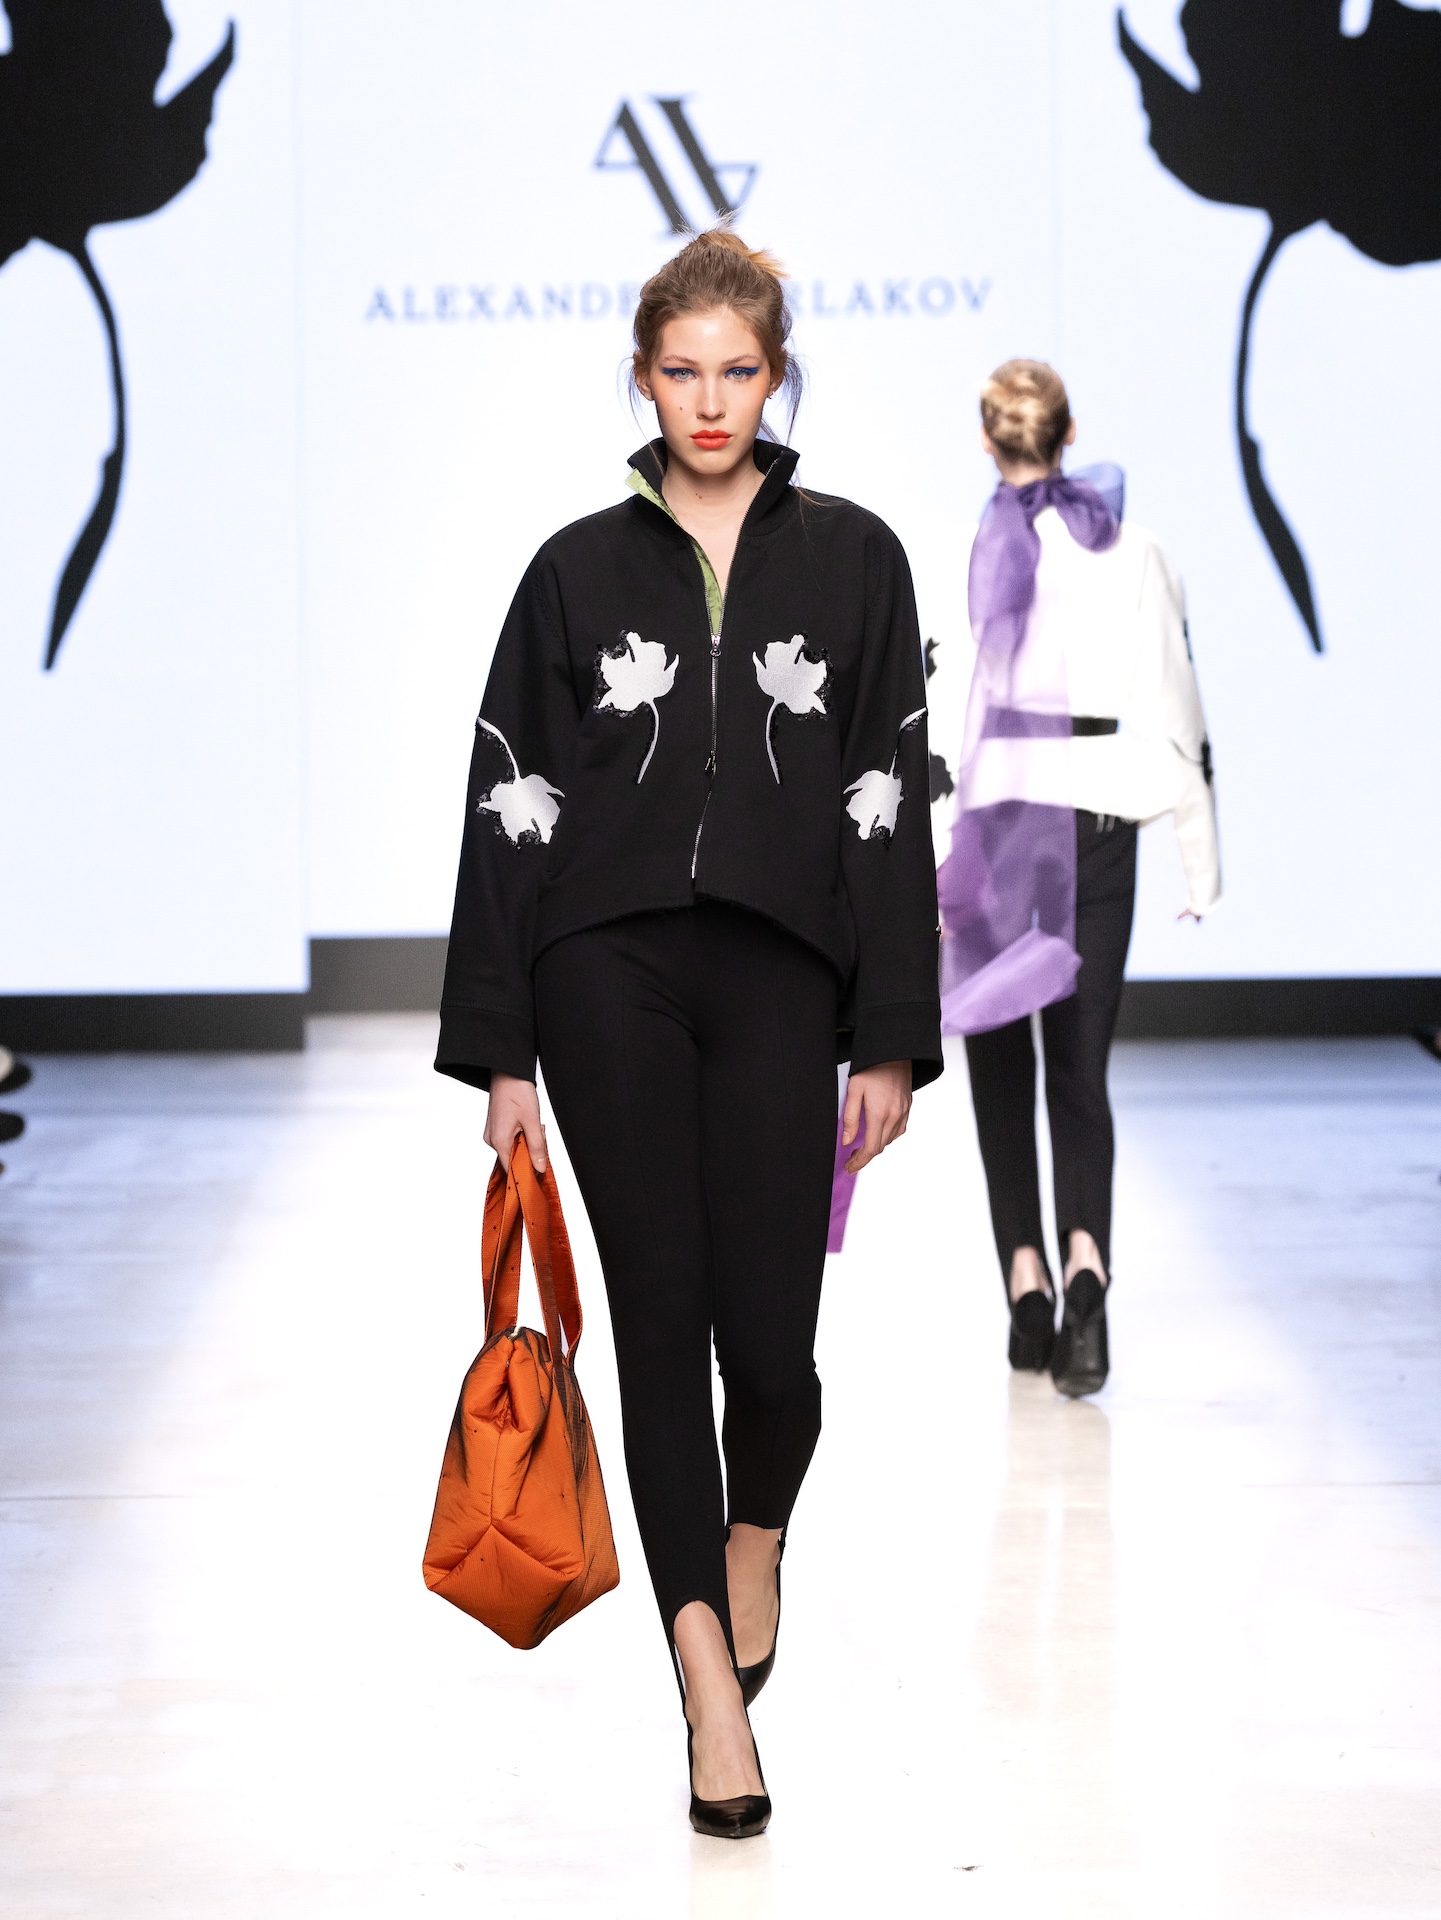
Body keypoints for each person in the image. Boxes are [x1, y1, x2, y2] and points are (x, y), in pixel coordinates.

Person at [435, 229, 942, 1838]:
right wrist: (502, 1047)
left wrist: (891, 1032)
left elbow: (887, 799)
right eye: (680, 371)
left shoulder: (856, 559)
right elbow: (511, 794)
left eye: (737, 371)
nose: (709, 401)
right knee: (657, 1325)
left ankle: (756, 1532)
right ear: (643, 380)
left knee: (772, 1354)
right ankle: (707, 1690)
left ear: (775, 378)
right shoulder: (573, 569)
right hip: (604, 964)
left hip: (784, 966)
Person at [928, 360, 1219, 1397]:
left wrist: (927, 857)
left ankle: (1025, 1287)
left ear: (986, 439)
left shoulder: (975, 550)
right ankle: (1086, 1269)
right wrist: (1200, 856)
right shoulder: (1133, 549)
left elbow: (941, 710)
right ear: (1069, 431)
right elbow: (1176, 703)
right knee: (1079, 1071)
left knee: (999, 1066)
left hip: (999, 822)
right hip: (1097, 826)